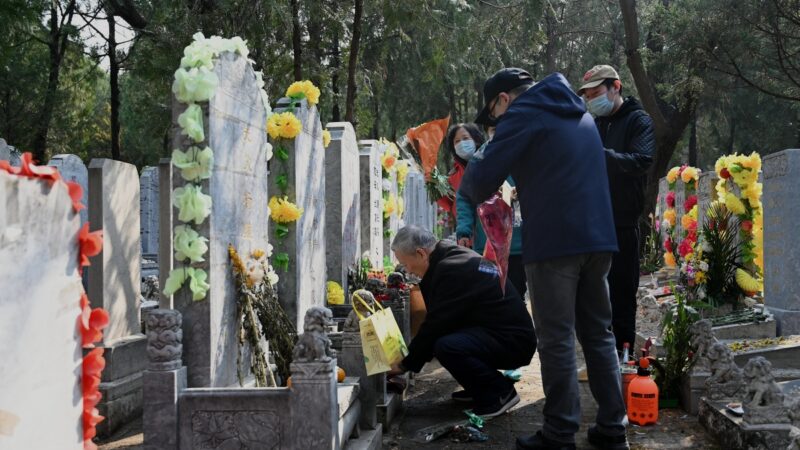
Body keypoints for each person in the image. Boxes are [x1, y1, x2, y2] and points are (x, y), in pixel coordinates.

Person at [459, 68, 628, 450]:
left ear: (504, 99)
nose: (496, 122)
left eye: (493, 113)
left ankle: (559, 433)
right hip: (598, 239)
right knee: (599, 334)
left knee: (556, 340)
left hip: (556, 243)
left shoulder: (523, 113)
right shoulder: (578, 112)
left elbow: (478, 182)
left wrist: (487, 150)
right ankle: (613, 429)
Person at [387, 225, 537, 419]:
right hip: (500, 333)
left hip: (513, 341)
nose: (409, 272)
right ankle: (480, 388)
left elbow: (436, 324)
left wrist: (404, 364)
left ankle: (498, 393)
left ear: (421, 253)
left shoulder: (451, 268)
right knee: (444, 341)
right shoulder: (450, 256)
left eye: (406, 265)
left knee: (447, 346)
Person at [578, 65, 655, 353]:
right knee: (595, 297)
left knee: (622, 296)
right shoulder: (593, 125)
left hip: (622, 224)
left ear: (616, 87)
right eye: (587, 96)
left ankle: (625, 359)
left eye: (597, 93)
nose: (592, 100)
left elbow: (641, 160)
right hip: (592, 223)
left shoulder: (638, 120)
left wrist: (598, 155)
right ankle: (600, 357)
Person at [456, 126, 527, 299]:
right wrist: (464, 230)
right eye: (494, 128)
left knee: (516, 294)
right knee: (492, 294)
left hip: (521, 245)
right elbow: (465, 195)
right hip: (489, 246)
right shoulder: (481, 156)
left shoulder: (526, 149)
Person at [435, 124, 482, 223]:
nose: (462, 143)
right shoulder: (453, 174)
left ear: (476, 140)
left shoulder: (490, 162)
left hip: (492, 222)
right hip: (466, 228)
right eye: (457, 141)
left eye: (465, 138)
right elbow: (449, 204)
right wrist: (434, 185)